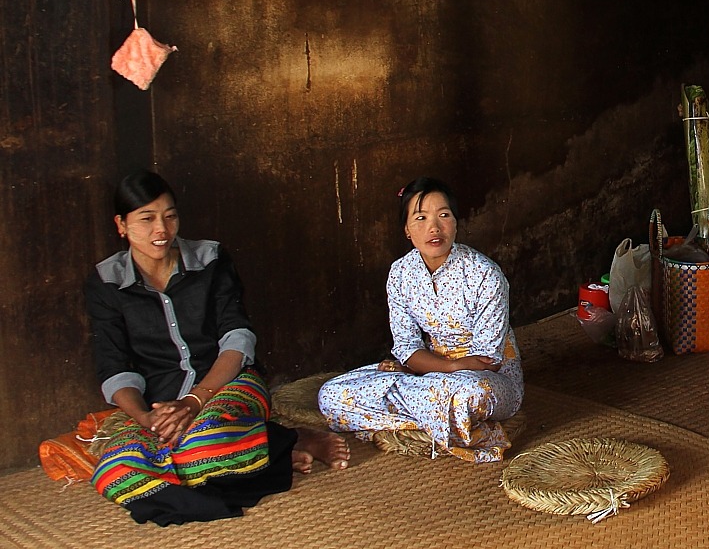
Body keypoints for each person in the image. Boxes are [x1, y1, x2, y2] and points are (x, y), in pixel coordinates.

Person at [83, 169, 350, 526]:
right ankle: (271, 452)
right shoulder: (106, 283)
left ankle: (284, 440)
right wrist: (147, 419)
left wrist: (196, 399)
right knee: (114, 470)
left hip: (228, 384)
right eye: (146, 219)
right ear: (121, 224)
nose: (161, 231)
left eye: (170, 216)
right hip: (162, 404)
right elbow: (115, 367)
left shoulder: (210, 259)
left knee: (202, 446)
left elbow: (237, 338)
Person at [318, 176, 523, 463]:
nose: (434, 228)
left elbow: (488, 360)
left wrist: (428, 370)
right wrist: (446, 366)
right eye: (421, 218)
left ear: (455, 222)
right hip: (429, 372)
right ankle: (441, 418)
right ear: (406, 229)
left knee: (468, 395)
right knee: (331, 395)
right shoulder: (401, 273)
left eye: (443, 215)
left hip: (484, 381)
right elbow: (406, 346)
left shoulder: (485, 274)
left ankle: (424, 412)